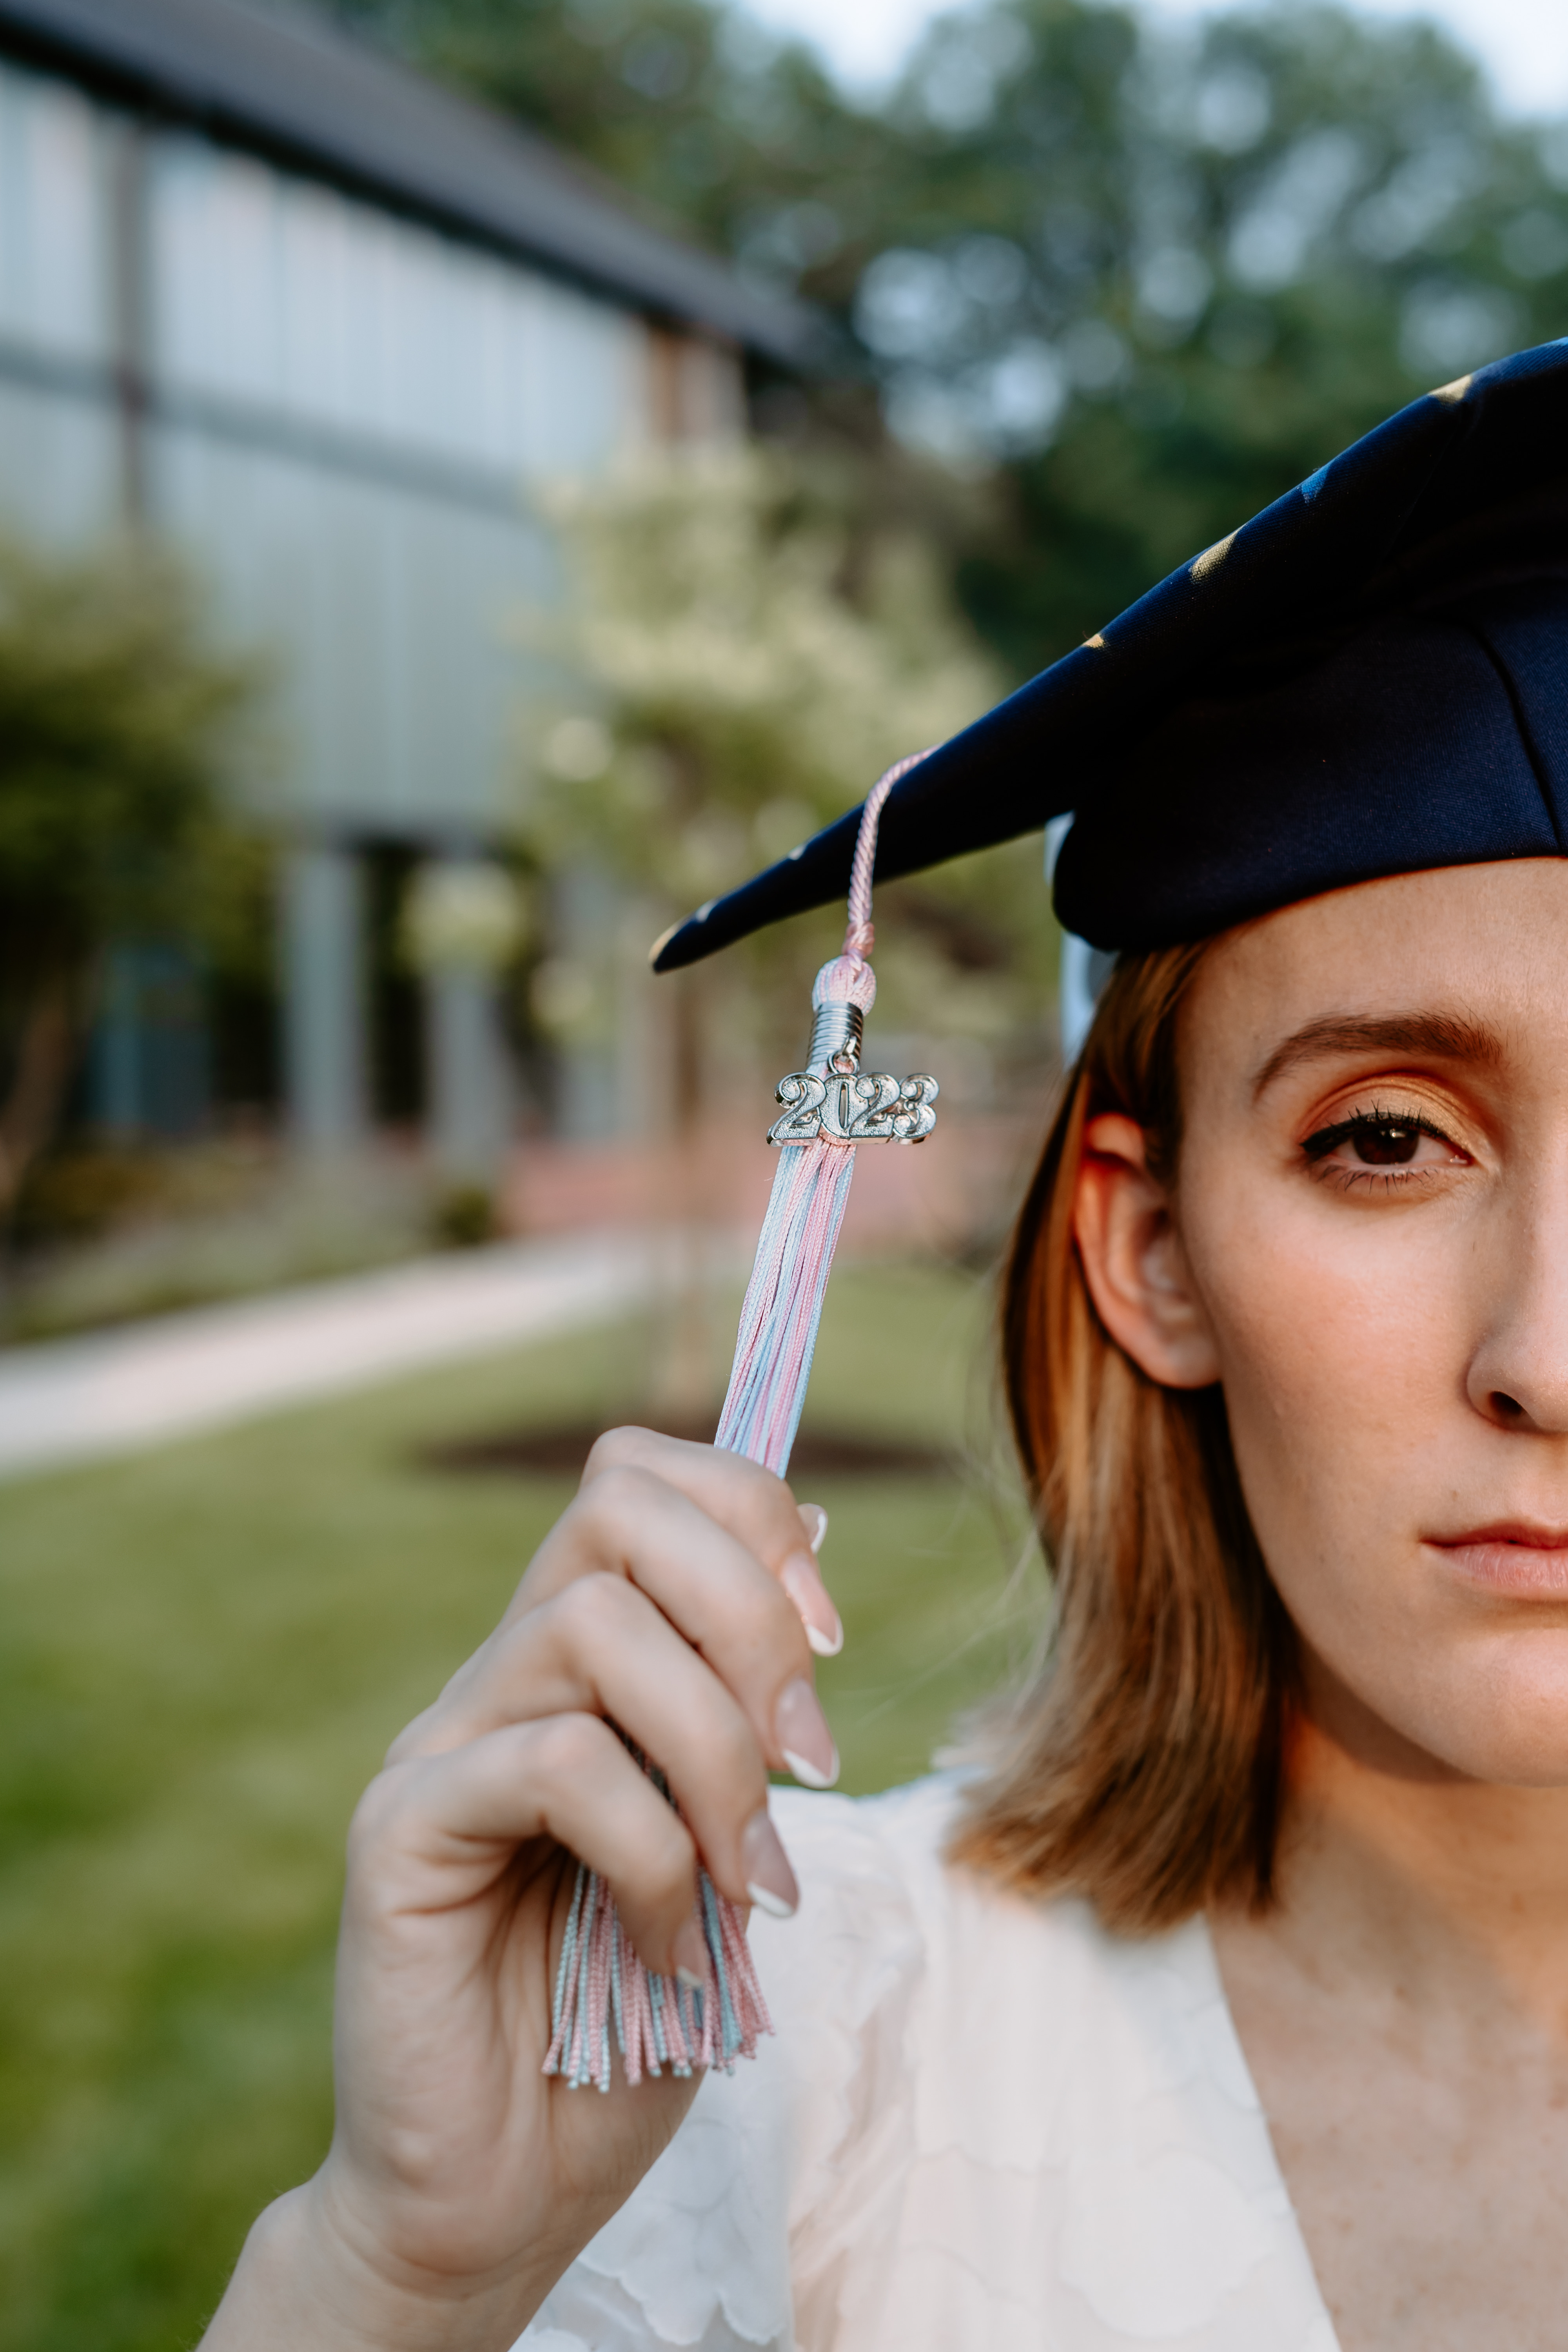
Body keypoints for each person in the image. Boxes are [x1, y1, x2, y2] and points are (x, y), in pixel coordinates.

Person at [202, 344, 1568, 2352]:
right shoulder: (770, 2043)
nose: (1551, 1350)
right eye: (1382, 1139)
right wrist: (399, 2277)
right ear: (1151, 1253)